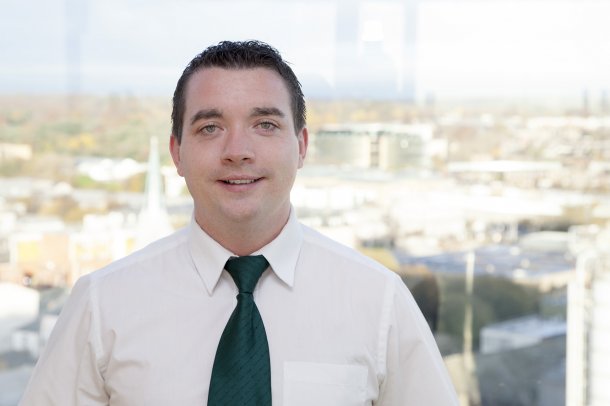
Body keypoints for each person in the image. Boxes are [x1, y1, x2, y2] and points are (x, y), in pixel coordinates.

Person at [19, 40, 458, 405]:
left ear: (301, 146)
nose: (238, 150)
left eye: (264, 124)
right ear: (176, 153)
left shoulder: (379, 302)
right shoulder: (103, 305)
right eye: (210, 128)